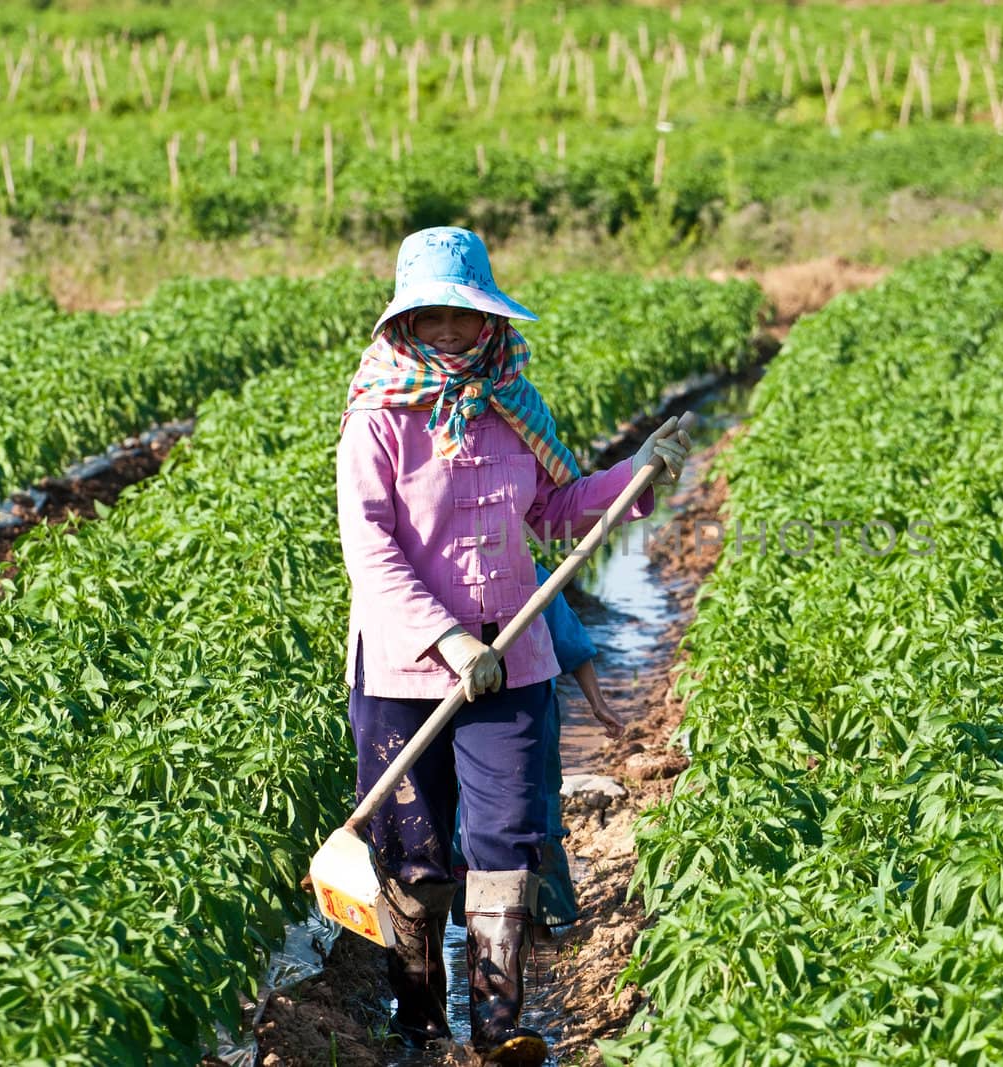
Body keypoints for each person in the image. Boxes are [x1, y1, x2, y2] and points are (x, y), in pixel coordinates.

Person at [336, 226, 689, 1064]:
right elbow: (372, 552)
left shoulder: (513, 406)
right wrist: (450, 640)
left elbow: (561, 509)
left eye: (461, 312)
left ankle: (499, 1027)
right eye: (431, 315)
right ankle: (418, 1022)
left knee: (502, 843)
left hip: (516, 660)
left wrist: (637, 474)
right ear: (405, 324)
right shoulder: (377, 424)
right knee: (414, 855)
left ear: (485, 316)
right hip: (403, 670)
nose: (449, 329)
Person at [452, 561, 624, 933]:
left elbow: (569, 642)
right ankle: (483, 922)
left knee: (536, 808)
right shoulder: (440, 576)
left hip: (529, 710)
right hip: (464, 709)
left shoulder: (528, 573)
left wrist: (598, 704)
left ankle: (542, 916)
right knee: (467, 816)